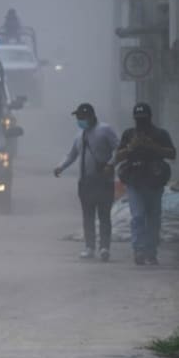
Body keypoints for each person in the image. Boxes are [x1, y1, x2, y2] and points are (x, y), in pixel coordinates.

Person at [54, 103, 119, 261]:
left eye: (81, 117)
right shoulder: (79, 135)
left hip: (104, 181)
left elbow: (119, 149)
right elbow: (72, 155)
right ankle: (89, 247)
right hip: (85, 182)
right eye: (78, 118)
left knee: (104, 215)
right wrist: (60, 167)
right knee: (87, 216)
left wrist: (111, 164)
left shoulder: (105, 130)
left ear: (90, 116)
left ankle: (104, 247)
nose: (79, 120)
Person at [114, 103, 176, 265]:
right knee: (138, 216)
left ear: (150, 118)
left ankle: (151, 251)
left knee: (154, 218)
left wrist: (153, 146)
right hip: (134, 181)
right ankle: (139, 250)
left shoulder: (160, 134)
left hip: (155, 181)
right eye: (138, 120)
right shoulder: (129, 134)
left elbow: (172, 153)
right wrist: (131, 147)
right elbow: (118, 156)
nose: (141, 123)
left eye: (144, 119)